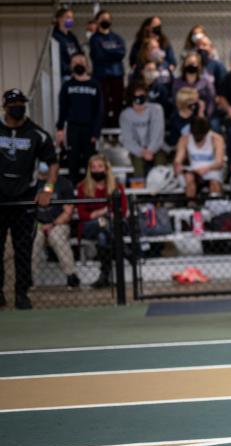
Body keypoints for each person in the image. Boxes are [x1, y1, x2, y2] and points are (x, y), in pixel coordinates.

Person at [0, 89, 58, 309]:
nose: (18, 107)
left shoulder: (38, 134)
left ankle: (21, 293)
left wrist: (48, 189)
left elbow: (52, 163)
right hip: (0, 199)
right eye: (13, 103)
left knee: (23, 248)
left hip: (24, 200)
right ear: (5, 106)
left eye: (21, 103)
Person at [76, 154, 128, 289]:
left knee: (102, 236)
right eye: (93, 167)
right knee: (102, 223)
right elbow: (82, 215)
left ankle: (104, 276)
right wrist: (104, 211)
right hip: (89, 227)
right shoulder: (82, 187)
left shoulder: (116, 186)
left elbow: (123, 210)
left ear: (106, 169)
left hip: (108, 225)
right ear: (89, 170)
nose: (96, 170)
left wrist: (97, 214)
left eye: (100, 166)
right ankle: (124, 250)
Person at [56, 53, 103, 185]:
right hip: (73, 128)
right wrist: (59, 128)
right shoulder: (67, 85)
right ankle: (73, 188)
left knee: (90, 160)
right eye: (75, 62)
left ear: (87, 65)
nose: (78, 64)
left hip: (89, 129)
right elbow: (62, 108)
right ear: (71, 66)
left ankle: (89, 187)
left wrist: (96, 132)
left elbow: (99, 111)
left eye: (81, 61)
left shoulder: (95, 85)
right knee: (73, 159)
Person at [32, 171, 79, 290]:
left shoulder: (64, 183)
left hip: (59, 224)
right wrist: (38, 225)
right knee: (35, 238)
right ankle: (30, 279)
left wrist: (52, 224)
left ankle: (71, 276)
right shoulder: (32, 183)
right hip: (36, 225)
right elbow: (27, 212)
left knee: (56, 236)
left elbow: (68, 212)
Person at [88, 10, 126, 130]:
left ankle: (116, 128)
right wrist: (112, 54)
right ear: (97, 21)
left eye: (108, 18)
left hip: (117, 74)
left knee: (117, 103)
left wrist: (106, 52)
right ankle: (103, 129)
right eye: (103, 18)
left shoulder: (117, 38)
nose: (105, 21)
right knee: (102, 103)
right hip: (101, 75)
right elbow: (98, 55)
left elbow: (122, 53)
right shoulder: (94, 39)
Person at [119, 82, 166, 177]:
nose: (139, 100)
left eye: (142, 96)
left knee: (160, 164)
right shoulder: (125, 115)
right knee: (137, 165)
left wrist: (150, 150)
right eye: (136, 96)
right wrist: (141, 152)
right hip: (136, 150)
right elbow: (127, 139)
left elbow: (158, 133)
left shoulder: (156, 109)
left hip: (156, 148)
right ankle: (139, 190)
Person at [174, 116, 225, 199]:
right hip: (193, 170)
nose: (197, 138)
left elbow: (219, 162)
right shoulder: (184, 139)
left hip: (211, 169)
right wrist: (177, 165)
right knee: (189, 178)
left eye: (200, 135)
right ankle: (191, 204)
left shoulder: (216, 139)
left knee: (214, 183)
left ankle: (215, 205)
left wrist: (206, 169)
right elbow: (178, 160)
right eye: (195, 135)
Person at [173, 52, 217, 119]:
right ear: (184, 64)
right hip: (183, 116)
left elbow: (211, 100)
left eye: (193, 63)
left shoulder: (206, 82)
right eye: (188, 63)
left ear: (198, 65)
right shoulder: (177, 83)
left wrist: (205, 114)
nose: (191, 65)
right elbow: (175, 101)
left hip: (202, 115)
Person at [51, 8, 82, 80]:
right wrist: (69, 69)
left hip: (76, 73)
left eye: (72, 18)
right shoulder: (55, 37)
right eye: (68, 17)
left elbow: (79, 54)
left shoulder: (72, 37)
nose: (70, 20)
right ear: (59, 19)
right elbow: (58, 58)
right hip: (64, 75)